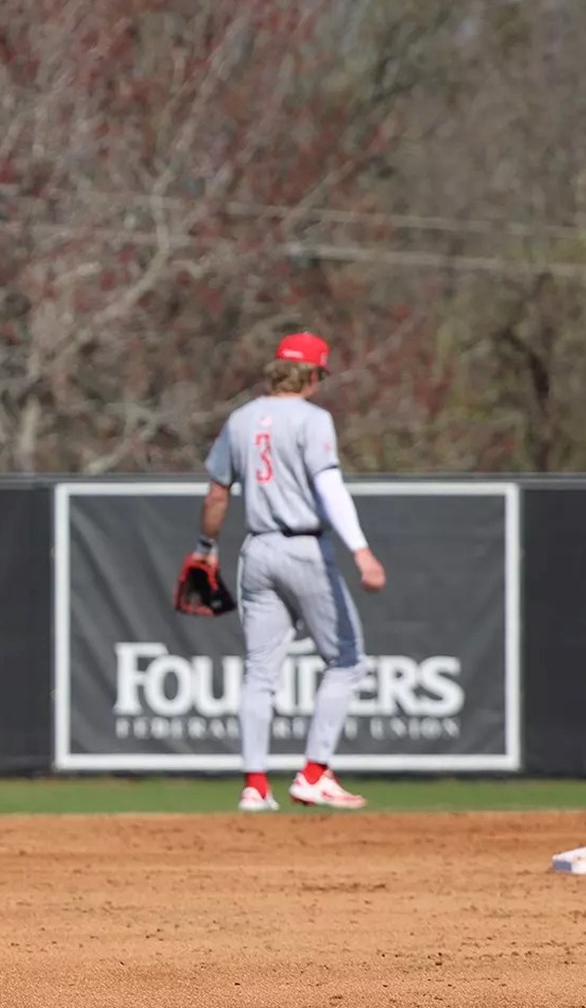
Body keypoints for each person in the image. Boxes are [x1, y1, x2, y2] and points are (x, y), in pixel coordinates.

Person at [194, 332, 387, 813]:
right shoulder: (313, 419)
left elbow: (217, 494)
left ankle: (255, 786)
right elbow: (329, 486)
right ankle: (315, 773)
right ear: (312, 375)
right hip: (304, 548)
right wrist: (361, 551)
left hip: (257, 550)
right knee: (347, 661)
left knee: (259, 672)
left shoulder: (240, 418)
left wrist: (205, 548)